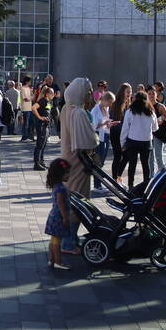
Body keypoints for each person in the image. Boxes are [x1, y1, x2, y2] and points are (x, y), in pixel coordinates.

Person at [57, 78, 99, 254]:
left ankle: (68, 240)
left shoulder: (67, 109)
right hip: (78, 163)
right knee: (78, 202)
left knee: (71, 201)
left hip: (69, 161)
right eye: (88, 91)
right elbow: (87, 141)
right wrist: (96, 137)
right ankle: (68, 243)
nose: (90, 94)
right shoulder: (78, 113)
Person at [120, 91, 158, 188]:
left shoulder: (130, 111)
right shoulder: (151, 112)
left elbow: (125, 129)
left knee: (132, 164)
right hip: (146, 142)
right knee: (146, 165)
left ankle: (130, 185)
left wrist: (122, 142)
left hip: (132, 141)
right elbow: (155, 128)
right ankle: (146, 185)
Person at [44, 158, 72, 270]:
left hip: (53, 215)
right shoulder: (61, 188)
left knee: (53, 239)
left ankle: (51, 259)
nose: (69, 175)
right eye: (67, 173)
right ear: (60, 174)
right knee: (57, 241)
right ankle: (58, 262)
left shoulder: (56, 186)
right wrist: (65, 217)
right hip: (59, 217)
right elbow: (61, 204)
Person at [90, 91, 117, 195]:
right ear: (105, 100)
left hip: (105, 135)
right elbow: (93, 126)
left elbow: (105, 124)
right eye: (110, 102)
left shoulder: (106, 108)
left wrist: (110, 124)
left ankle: (99, 184)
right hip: (98, 137)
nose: (110, 105)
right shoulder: (95, 109)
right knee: (98, 161)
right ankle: (97, 185)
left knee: (102, 161)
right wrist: (104, 123)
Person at [109, 83, 132, 182]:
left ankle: (118, 175)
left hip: (124, 133)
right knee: (118, 156)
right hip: (116, 132)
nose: (129, 93)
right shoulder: (116, 103)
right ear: (122, 92)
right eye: (127, 91)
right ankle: (115, 178)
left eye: (130, 91)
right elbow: (114, 119)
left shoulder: (128, 103)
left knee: (126, 156)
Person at [147, 88, 166, 174]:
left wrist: (160, 119)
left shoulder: (160, 106)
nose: (151, 95)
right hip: (148, 134)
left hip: (158, 134)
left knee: (158, 156)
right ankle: (151, 177)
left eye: (153, 93)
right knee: (150, 158)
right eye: (149, 93)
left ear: (156, 95)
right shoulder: (146, 106)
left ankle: (161, 176)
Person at [32, 86, 54, 171]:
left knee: (43, 145)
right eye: (51, 93)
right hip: (41, 125)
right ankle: (36, 163)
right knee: (40, 144)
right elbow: (33, 108)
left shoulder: (49, 102)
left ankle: (41, 162)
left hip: (46, 125)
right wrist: (40, 117)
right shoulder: (43, 100)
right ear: (47, 94)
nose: (53, 95)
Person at [19, 75, 34, 141]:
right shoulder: (23, 89)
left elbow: (31, 97)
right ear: (27, 81)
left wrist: (32, 94)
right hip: (25, 109)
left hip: (30, 108)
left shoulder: (29, 89)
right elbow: (26, 99)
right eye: (30, 81)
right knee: (26, 123)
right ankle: (24, 137)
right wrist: (32, 97)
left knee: (31, 123)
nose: (30, 83)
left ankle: (30, 137)